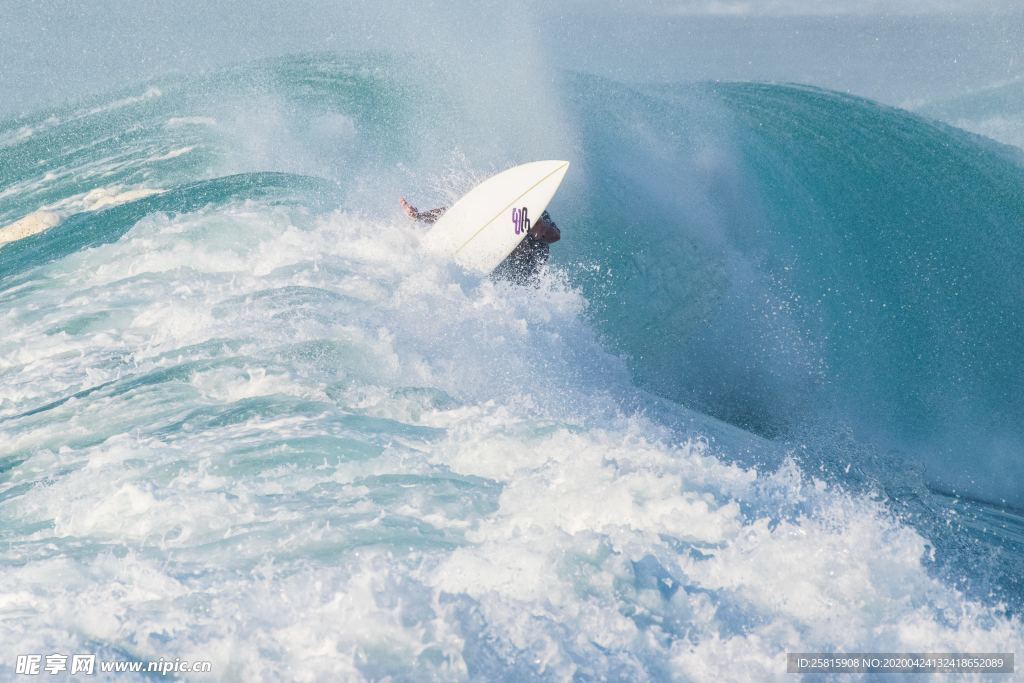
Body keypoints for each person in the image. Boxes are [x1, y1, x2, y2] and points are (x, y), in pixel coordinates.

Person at [400, 197, 560, 284]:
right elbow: (454, 213)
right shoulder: (497, 207)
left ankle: (533, 232)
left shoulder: (539, 210)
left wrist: (539, 228)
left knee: (527, 241)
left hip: (527, 269)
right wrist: (419, 216)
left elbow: (556, 236)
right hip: (498, 269)